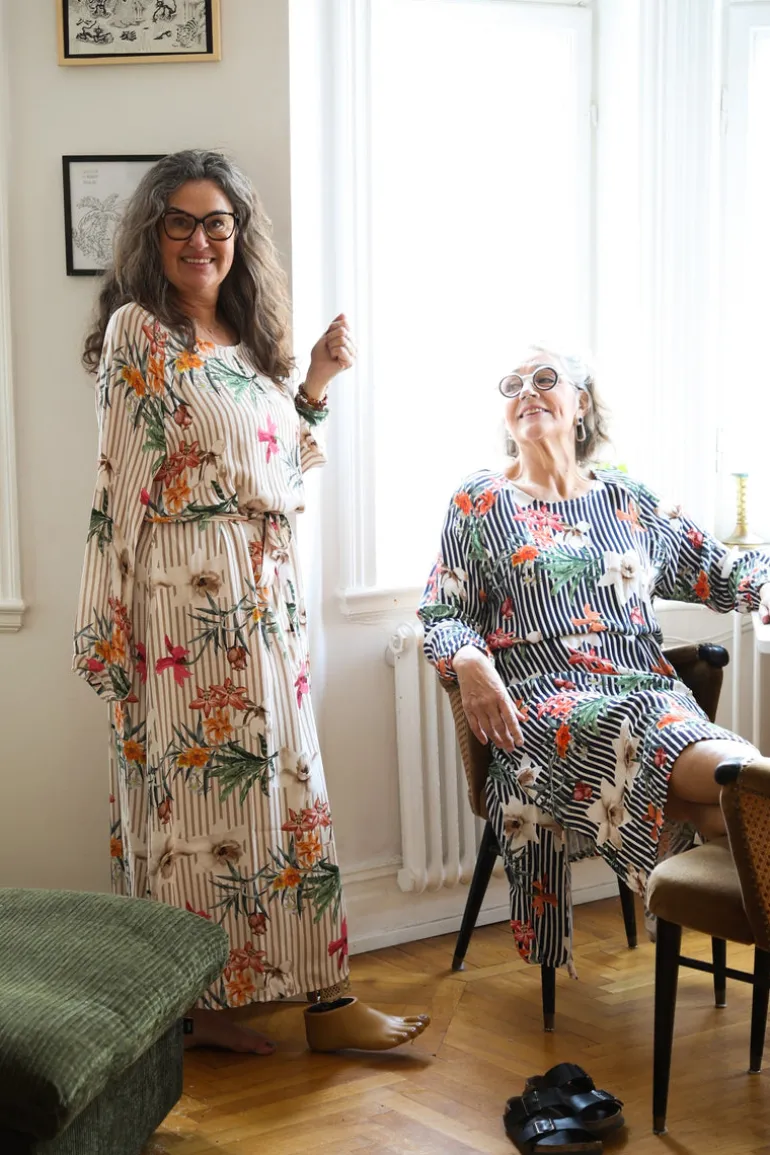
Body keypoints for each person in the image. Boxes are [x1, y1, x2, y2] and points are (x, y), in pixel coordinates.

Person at [74, 149, 429, 1054]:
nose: (202, 240)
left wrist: (309, 385)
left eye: (218, 223)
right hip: (182, 609)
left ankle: (321, 1000)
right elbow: (116, 486)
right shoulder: (140, 336)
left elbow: (278, 468)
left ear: (239, 236)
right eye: (182, 222)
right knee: (195, 810)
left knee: (282, 799)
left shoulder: (245, 349)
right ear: (153, 233)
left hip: (265, 605)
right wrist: (104, 628)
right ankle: (205, 1005)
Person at [418, 345, 770, 973]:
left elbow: (720, 568)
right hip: (543, 709)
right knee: (644, 722)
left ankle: (749, 804)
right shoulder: (478, 502)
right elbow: (442, 612)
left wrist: (764, 586)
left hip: (646, 689)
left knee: (693, 791)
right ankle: (758, 780)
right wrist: (469, 661)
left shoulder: (628, 500)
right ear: (504, 415)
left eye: (545, 379)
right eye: (513, 384)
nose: (527, 390)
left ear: (581, 402)